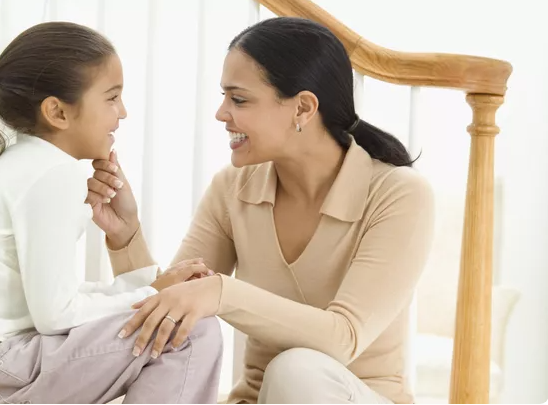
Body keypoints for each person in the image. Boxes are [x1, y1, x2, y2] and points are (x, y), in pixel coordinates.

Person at [87, 16, 435, 404]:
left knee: (297, 370)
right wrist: (126, 234)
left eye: (238, 99)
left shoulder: (398, 195)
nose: (221, 113)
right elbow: (169, 308)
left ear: (303, 108)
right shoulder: (232, 189)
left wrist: (222, 292)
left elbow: (344, 338)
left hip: (356, 395)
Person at [0, 21, 223, 404]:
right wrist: (153, 292)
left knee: (177, 315)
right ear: (57, 111)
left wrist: (149, 286)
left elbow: (54, 299)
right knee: (189, 328)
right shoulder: (51, 172)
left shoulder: (25, 164)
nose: (122, 112)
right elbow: (56, 315)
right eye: (111, 97)